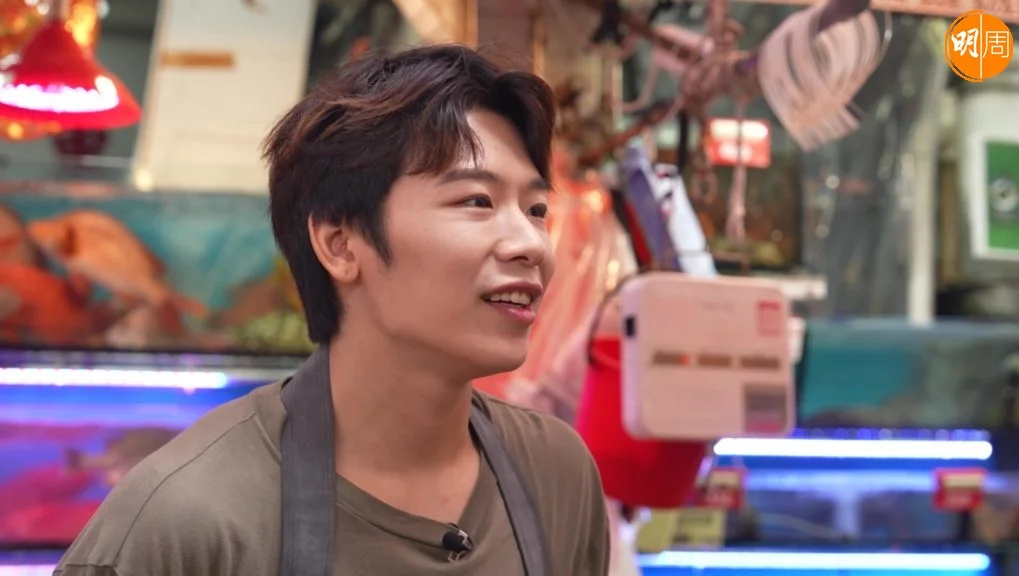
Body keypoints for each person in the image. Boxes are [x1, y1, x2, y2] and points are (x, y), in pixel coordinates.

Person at [53, 45, 609, 576]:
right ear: (340, 245)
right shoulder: (185, 521)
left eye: (537, 209)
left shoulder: (556, 472)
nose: (531, 245)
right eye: (476, 201)